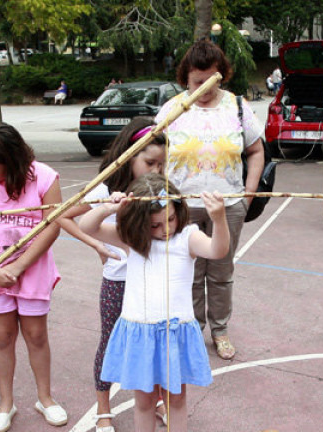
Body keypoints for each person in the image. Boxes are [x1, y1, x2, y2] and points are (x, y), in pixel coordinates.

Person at [79, 174, 228, 432]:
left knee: (177, 399)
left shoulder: (187, 237)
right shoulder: (134, 240)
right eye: (154, 225)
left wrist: (219, 219)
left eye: (170, 219)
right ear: (139, 223)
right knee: (144, 402)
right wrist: (108, 208)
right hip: (141, 334)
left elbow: (217, 250)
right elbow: (87, 227)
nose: (165, 229)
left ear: (178, 209)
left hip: (174, 333)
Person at [155, 38, 265, 360]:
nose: (204, 89)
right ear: (185, 79)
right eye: (196, 82)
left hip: (227, 208)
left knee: (220, 273)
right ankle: (190, 330)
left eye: (211, 81)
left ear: (223, 75)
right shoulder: (171, 109)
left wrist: (247, 194)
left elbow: (256, 151)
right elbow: (153, 154)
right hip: (182, 209)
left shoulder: (237, 106)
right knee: (187, 272)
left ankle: (220, 330)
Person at [58, 118, 168, 432]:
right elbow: (64, 216)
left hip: (152, 282)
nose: (156, 170)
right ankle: (103, 410)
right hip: (119, 280)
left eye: (162, 164)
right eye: (149, 162)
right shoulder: (107, 187)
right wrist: (97, 243)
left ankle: (157, 399)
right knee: (109, 343)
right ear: (129, 156)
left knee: (155, 342)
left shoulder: (161, 189)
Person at [0, 122, 66, 431]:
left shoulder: (44, 177)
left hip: (32, 271)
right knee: (2, 337)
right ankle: (6, 404)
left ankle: (45, 398)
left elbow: (53, 225)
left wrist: (19, 267)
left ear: (13, 159)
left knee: (36, 335)